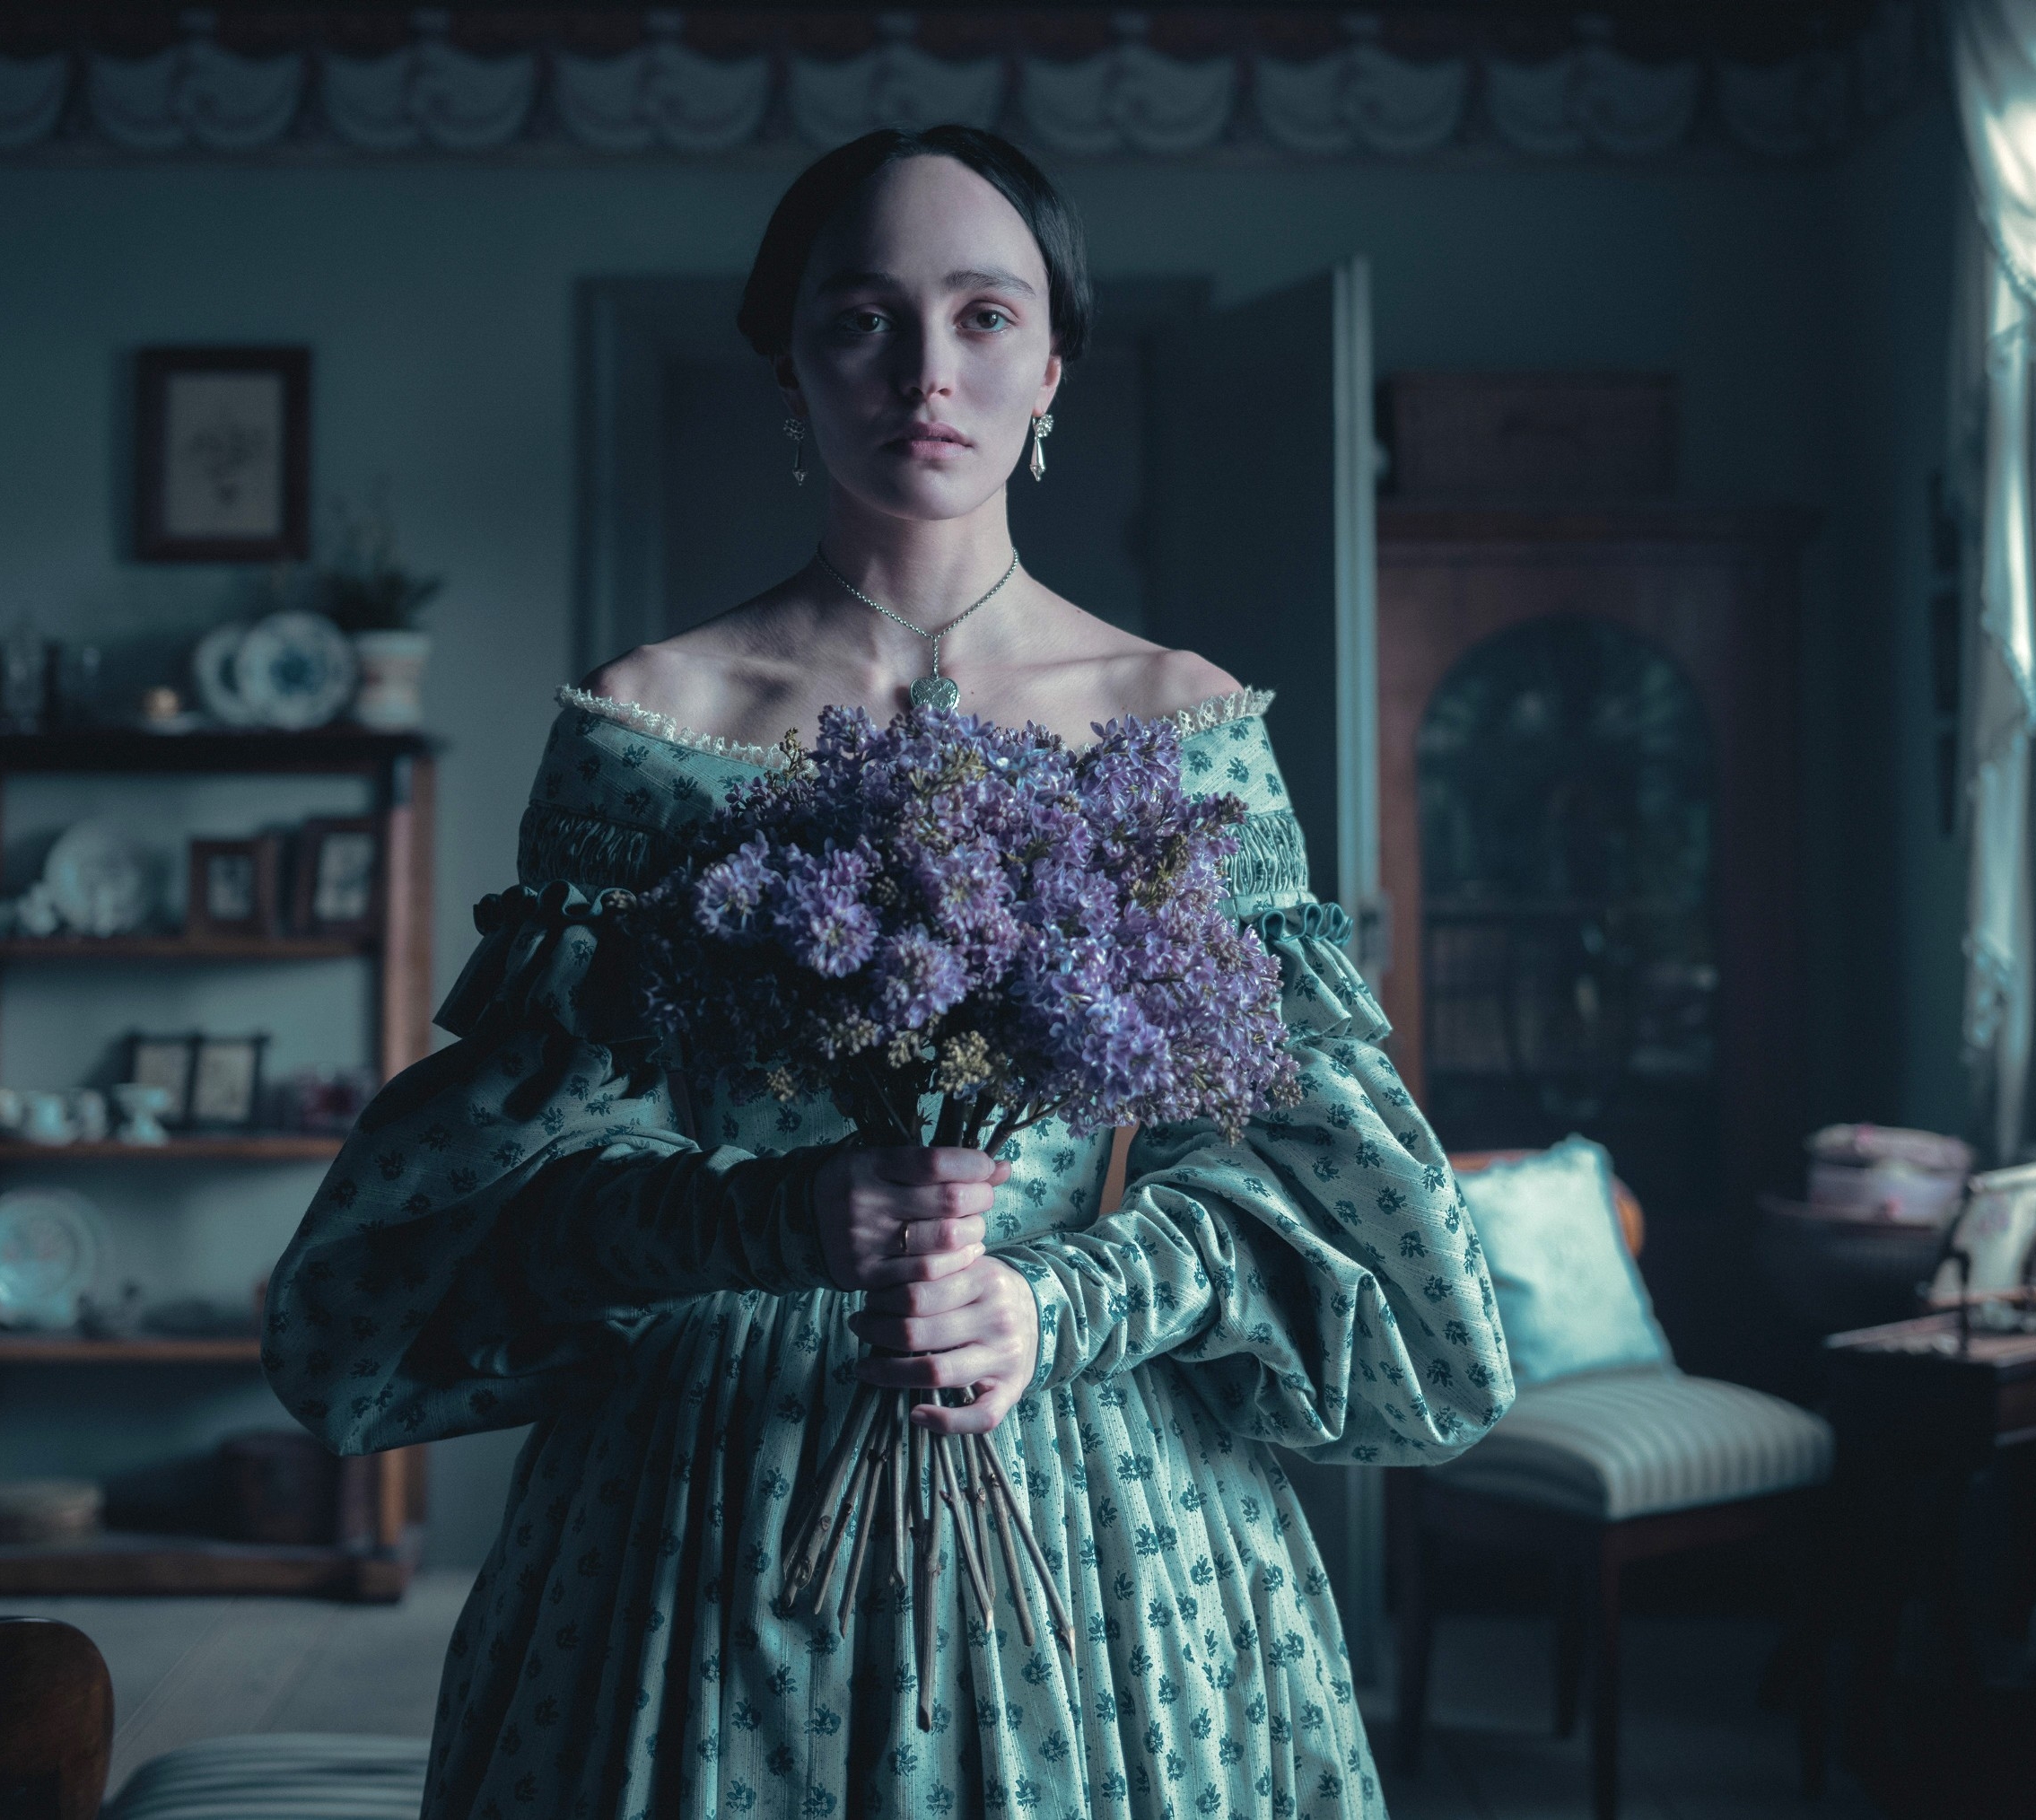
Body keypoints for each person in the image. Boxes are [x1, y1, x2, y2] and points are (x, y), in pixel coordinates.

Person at [264, 125, 1510, 1820]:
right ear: (792, 363)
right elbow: (508, 1197)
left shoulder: (1183, 725)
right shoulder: (655, 727)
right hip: (709, 1512)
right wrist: (765, 1223)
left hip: (1102, 1499)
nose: (927, 368)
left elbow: (1306, 1191)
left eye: (985, 315)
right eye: (865, 316)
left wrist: (1052, 1304)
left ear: (1053, 365)